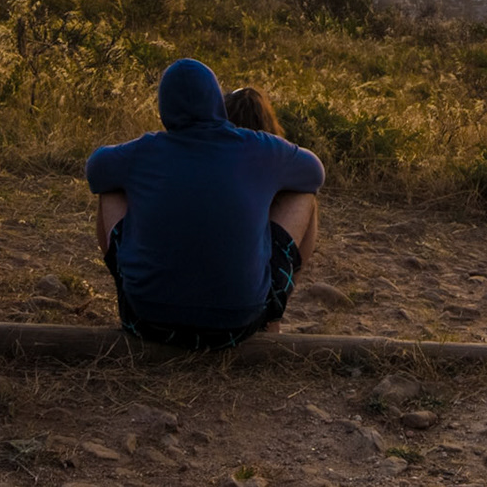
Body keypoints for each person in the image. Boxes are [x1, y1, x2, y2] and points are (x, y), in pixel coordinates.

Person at [86, 59, 323, 349]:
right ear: (217, 102)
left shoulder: (143, 150)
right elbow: (315, 173)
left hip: (146, 320)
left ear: (164, 108)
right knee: (304, 195)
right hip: (237, 325)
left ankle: (133, 284)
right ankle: (273, 315)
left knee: (110, 188)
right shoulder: (258, 147)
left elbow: (96, 168)